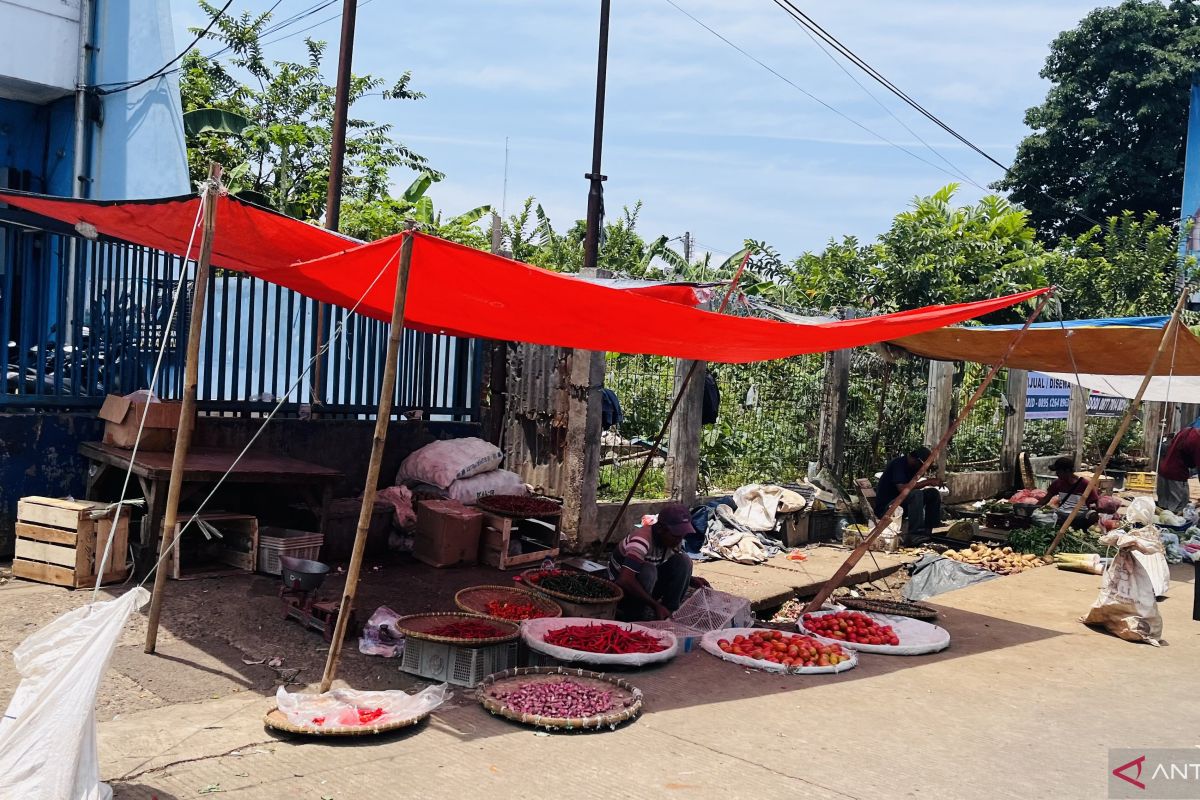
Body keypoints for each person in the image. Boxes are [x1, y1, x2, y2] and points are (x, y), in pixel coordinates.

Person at [608, 503, 710, 621]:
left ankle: (669, 612)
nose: (679, 539)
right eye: (676, 535)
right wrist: (655, 605)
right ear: (661, 529)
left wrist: (690, 579)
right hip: (621, 593)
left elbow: (669, 567)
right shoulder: (641, 541)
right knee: (649, 571)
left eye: (682, 535)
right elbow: (624, 579)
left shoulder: (672, 541)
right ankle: (634, 615)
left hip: (647, 585)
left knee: (684, 561)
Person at [874, 446, 942, 539]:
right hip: (887, 508)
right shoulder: (898, 464)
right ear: (916, 460)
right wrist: (928, 482)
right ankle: (915, 535)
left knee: (932, 493)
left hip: (901, 505)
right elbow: (902, 489)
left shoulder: (913, 468)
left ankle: (928, 531)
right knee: (916, 494)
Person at [1034, 457, 1099, 530]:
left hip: (1080, 516)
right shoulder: (1057, 483)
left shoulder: (1085, 484)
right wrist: (1032, 509)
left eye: (1058, 471)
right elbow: (1046, 499)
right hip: (1062, 515)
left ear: (1067, 471)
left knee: (1092, 515)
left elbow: (1096, 504)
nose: (1057, 473)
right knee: (1040, 517)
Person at [1157, 427, 1200, 514]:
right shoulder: (1198, 440)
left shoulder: (1187, 430)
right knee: (1177, 510)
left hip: (1163, 471)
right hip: (1177, 476)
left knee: (1163, 509)